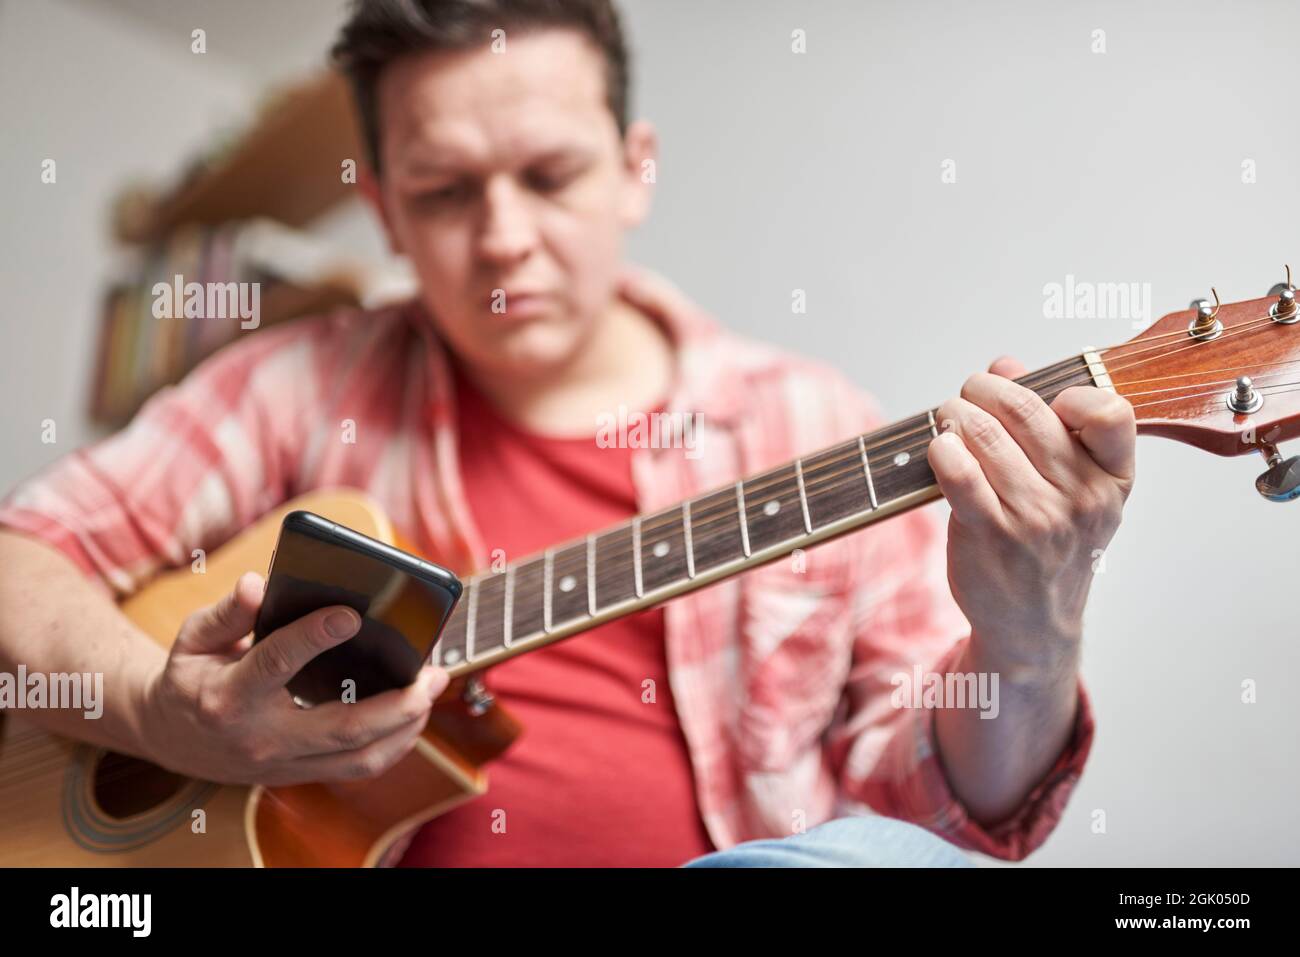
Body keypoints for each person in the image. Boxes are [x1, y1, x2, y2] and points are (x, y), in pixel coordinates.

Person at [0, 0, 1135, 867]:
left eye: (550, 176)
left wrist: (1030, 629)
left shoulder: (807, 420)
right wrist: (162, 713)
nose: (503, 239)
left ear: (634, 169)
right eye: (444, 192)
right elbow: (21, 558)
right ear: (385, 209)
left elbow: (944, 811)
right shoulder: (296, 383)